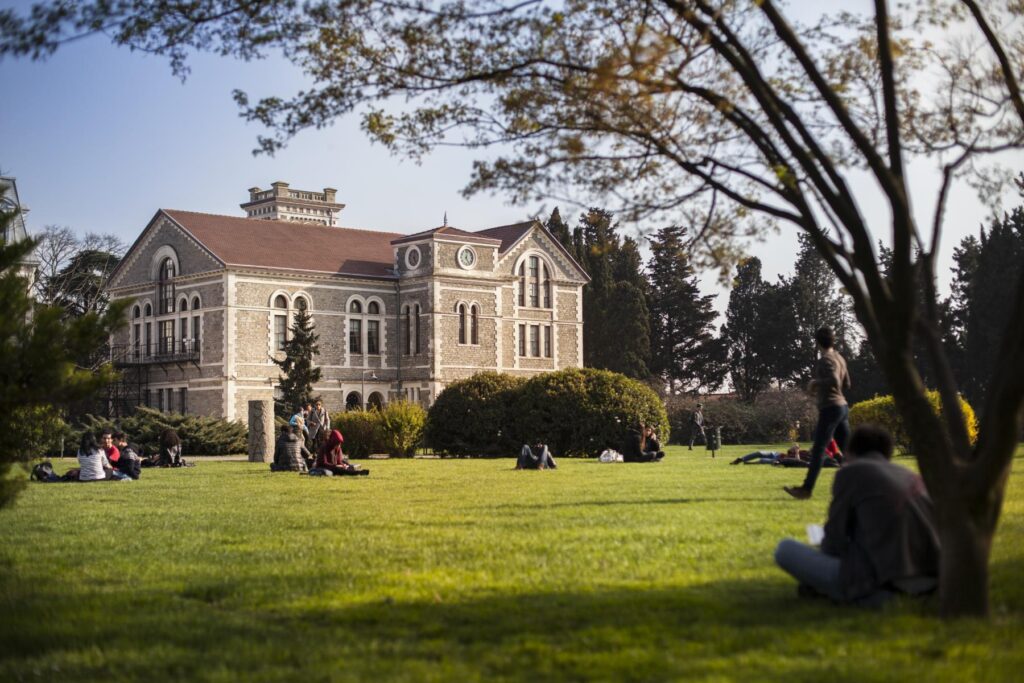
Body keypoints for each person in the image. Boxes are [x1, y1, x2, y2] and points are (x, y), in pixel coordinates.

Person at [774, 425, 940, 606]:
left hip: (885, 584)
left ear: (850, 451)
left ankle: (854, 595)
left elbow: (833, 541)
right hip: (932, 580)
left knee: (785, 549)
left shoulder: (852, 473)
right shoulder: (909, 475)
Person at [785, 326, 851, 499]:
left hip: (830, 407)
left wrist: (815, 383)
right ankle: (862, 486)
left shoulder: (825, 360)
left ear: (817, 342)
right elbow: (846, 384)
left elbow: (835, 380)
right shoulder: (840, 358)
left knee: (819, 449)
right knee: (848, 452)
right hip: (843, 407)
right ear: (833, 340)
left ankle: (806, 489)